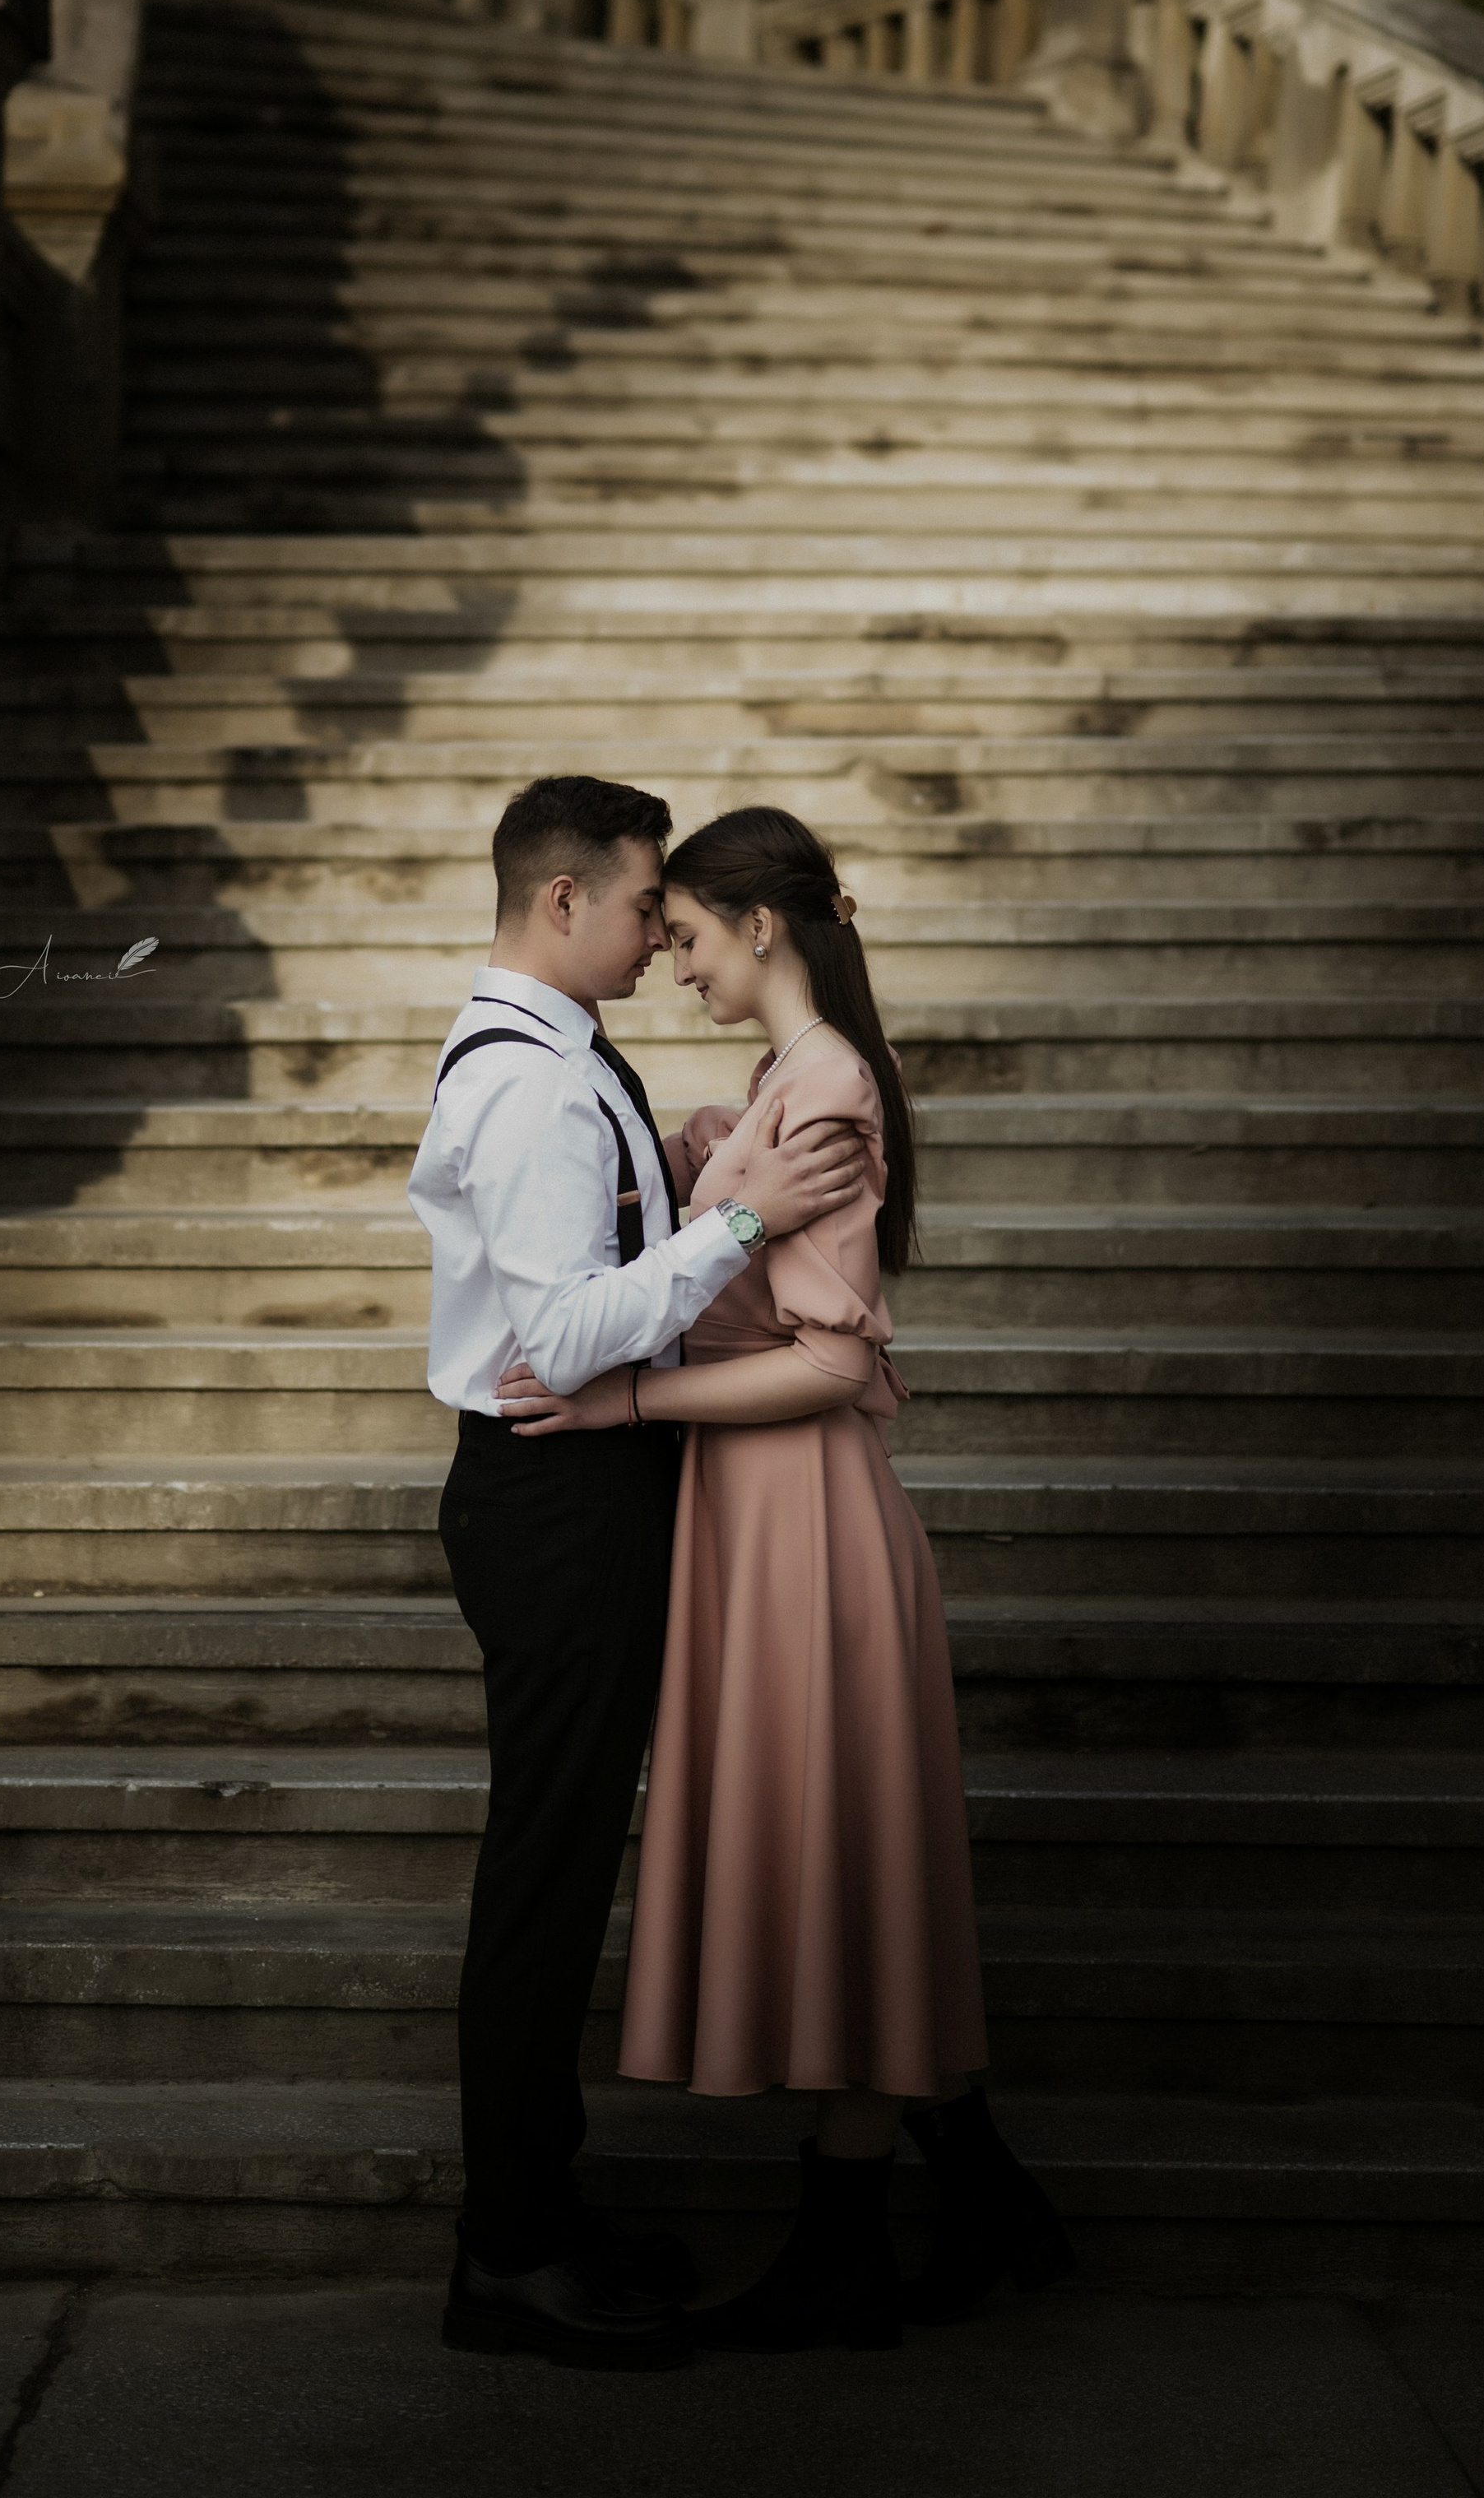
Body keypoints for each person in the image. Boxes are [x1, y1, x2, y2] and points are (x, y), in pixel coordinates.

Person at [499, 804, 1074, 2350]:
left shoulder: (824, 1090)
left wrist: (618, 1399)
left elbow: (826, 1361)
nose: (669, 962)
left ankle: (854, 2246)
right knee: (845, 1867)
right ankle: (981, 2194)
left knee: (842, 1865)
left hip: (801, 1516)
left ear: (763, 927)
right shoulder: (784, 1082)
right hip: (756, 1518)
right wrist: (703, 1156)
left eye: (684, 934)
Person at [410, 773, 870, 2370]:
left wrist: (698, 1170)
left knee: (553, 1866)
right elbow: (566, 1338)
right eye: (631, 906)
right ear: (559, 901)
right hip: (556, 1501)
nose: (648, 935)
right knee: (543, 1880)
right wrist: (737, 1221)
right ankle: (511, 2252)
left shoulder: (549, 1064)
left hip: (564, 1499)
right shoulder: (535, 1085)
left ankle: (538, 2211)